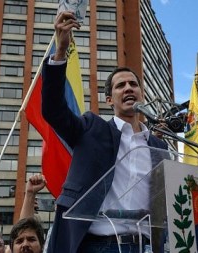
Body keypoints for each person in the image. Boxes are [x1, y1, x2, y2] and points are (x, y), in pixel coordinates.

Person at [42, 11, 168, 253]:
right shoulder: (91, 128)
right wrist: (60, 51)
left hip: (146, 247)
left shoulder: (158, 147)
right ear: (110, 99)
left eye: (134, 84)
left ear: (142, 95)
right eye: (121, 85)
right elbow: (53, 110)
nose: (128, 88)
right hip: (97, 245)